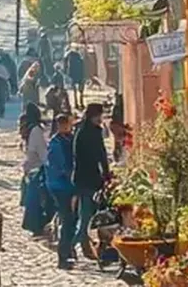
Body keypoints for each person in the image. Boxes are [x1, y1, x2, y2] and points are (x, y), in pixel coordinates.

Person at [72, 102, 109, 261]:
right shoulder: (91, 132)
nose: (101, 119)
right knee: (87, 217)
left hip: (83, 179)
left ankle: (84, 246)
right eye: (100, 115)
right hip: (88, 180)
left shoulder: (81, 130)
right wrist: (106, 174)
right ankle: (70, 245)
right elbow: (100, 155)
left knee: (87, 216)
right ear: (95, 116)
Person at [45, 114, 77, 269]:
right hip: (60, 186)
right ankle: (63, 255)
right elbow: (61, 166)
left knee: (71, 219)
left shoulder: (68, 139)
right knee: (67, 219)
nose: (67, 127)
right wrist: (72, 176)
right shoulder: (56, 143)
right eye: (64, 125)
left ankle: (69, 249)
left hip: (68, 185)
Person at [64, 46, 86, 110]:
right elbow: (83, 67)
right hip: (79, 74)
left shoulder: (69, 55)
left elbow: (65, 62)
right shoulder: (79, 57)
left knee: (75, 90)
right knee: (80, 90)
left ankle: (77, 103)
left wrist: (66, 72)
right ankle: (80, 103)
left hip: (73, 74)